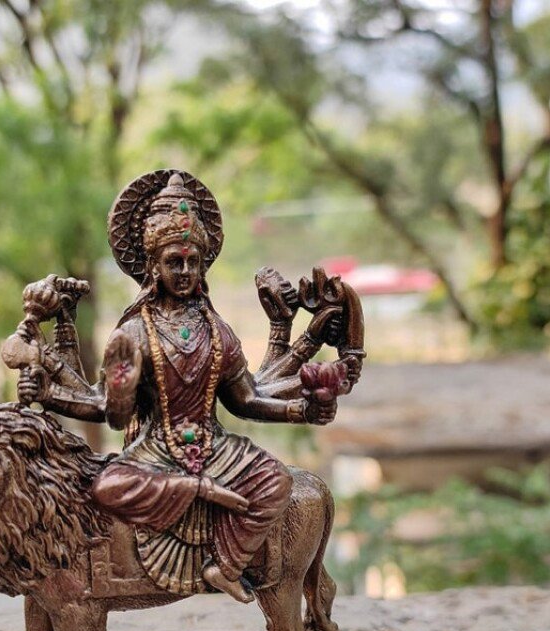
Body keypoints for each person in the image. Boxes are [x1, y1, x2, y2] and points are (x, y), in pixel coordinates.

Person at [18, 172, 336, 603]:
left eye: (193, 262)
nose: (185, 271)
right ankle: (192, 492)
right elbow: (107, 410)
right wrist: (50, 395)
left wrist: (302, 412)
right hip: (156, 453)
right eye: (174, 262)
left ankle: (226, 566)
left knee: (275, 481)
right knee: (105, 489)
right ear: (154, 265)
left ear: (203, 265)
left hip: (215, 448)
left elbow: (244, 399)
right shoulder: (133, 332)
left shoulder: (217, 330)